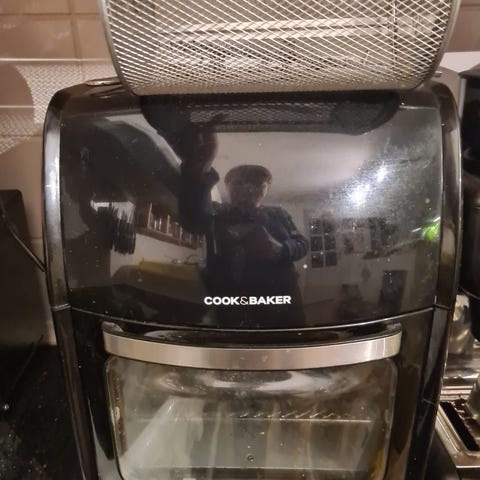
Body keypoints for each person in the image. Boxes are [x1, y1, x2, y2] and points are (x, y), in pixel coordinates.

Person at [177, 127, 308, 327]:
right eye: (239, 182)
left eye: (256, 183)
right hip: (229, 303)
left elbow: (302, 243)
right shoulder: (215, 211)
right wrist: (198, 169)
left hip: (282, 303)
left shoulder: (279, 213)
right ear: (227, 187)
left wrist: (281, 249)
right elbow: (193, 219)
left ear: (266, 189)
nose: (248, 187)